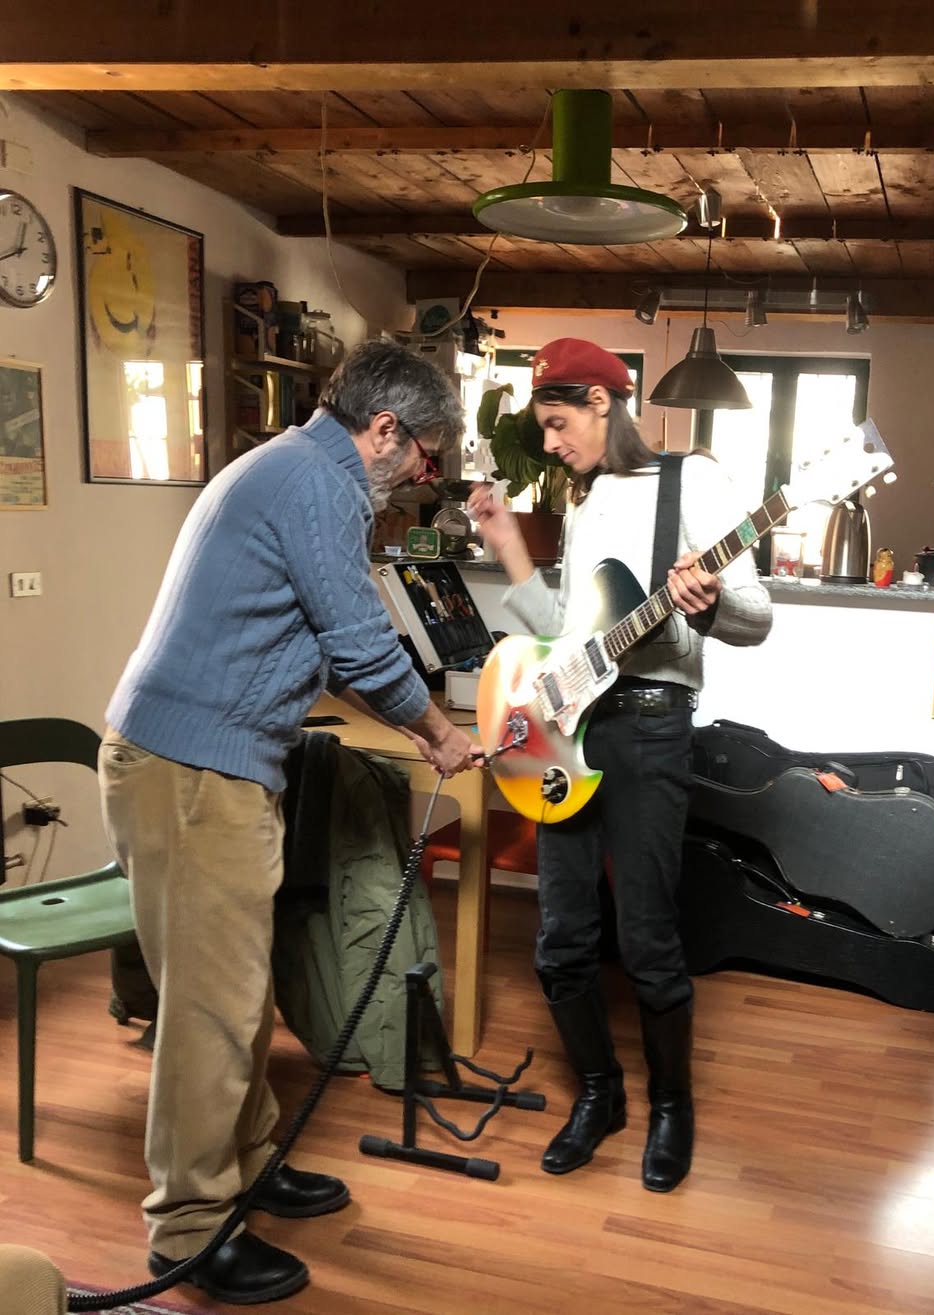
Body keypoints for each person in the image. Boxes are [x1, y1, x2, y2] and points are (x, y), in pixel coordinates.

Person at [98, 339, 479, 1306]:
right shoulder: (320, 485)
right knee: (209, 1011)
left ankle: (252, 1163)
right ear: (384, 430)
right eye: (426, 459)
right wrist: (438, 733)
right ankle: (188, 1230)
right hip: (192, 774)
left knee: (239, 986)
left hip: (208, 765)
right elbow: (357, 640)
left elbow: (320, 635)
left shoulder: (291, 467)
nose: (421, 482)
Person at [467, 338, 771, 1192]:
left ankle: (672, 1104)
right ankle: (599, 1092)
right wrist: (506, 544)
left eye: (559, 423)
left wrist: (703, 607)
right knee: (561, 935)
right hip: (574, 735)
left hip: (649, 729)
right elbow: (570, 629)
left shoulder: (692, 483)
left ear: (603, 402)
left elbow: (756, 615)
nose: (552, 442)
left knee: (646, 936)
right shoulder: (588, 495)